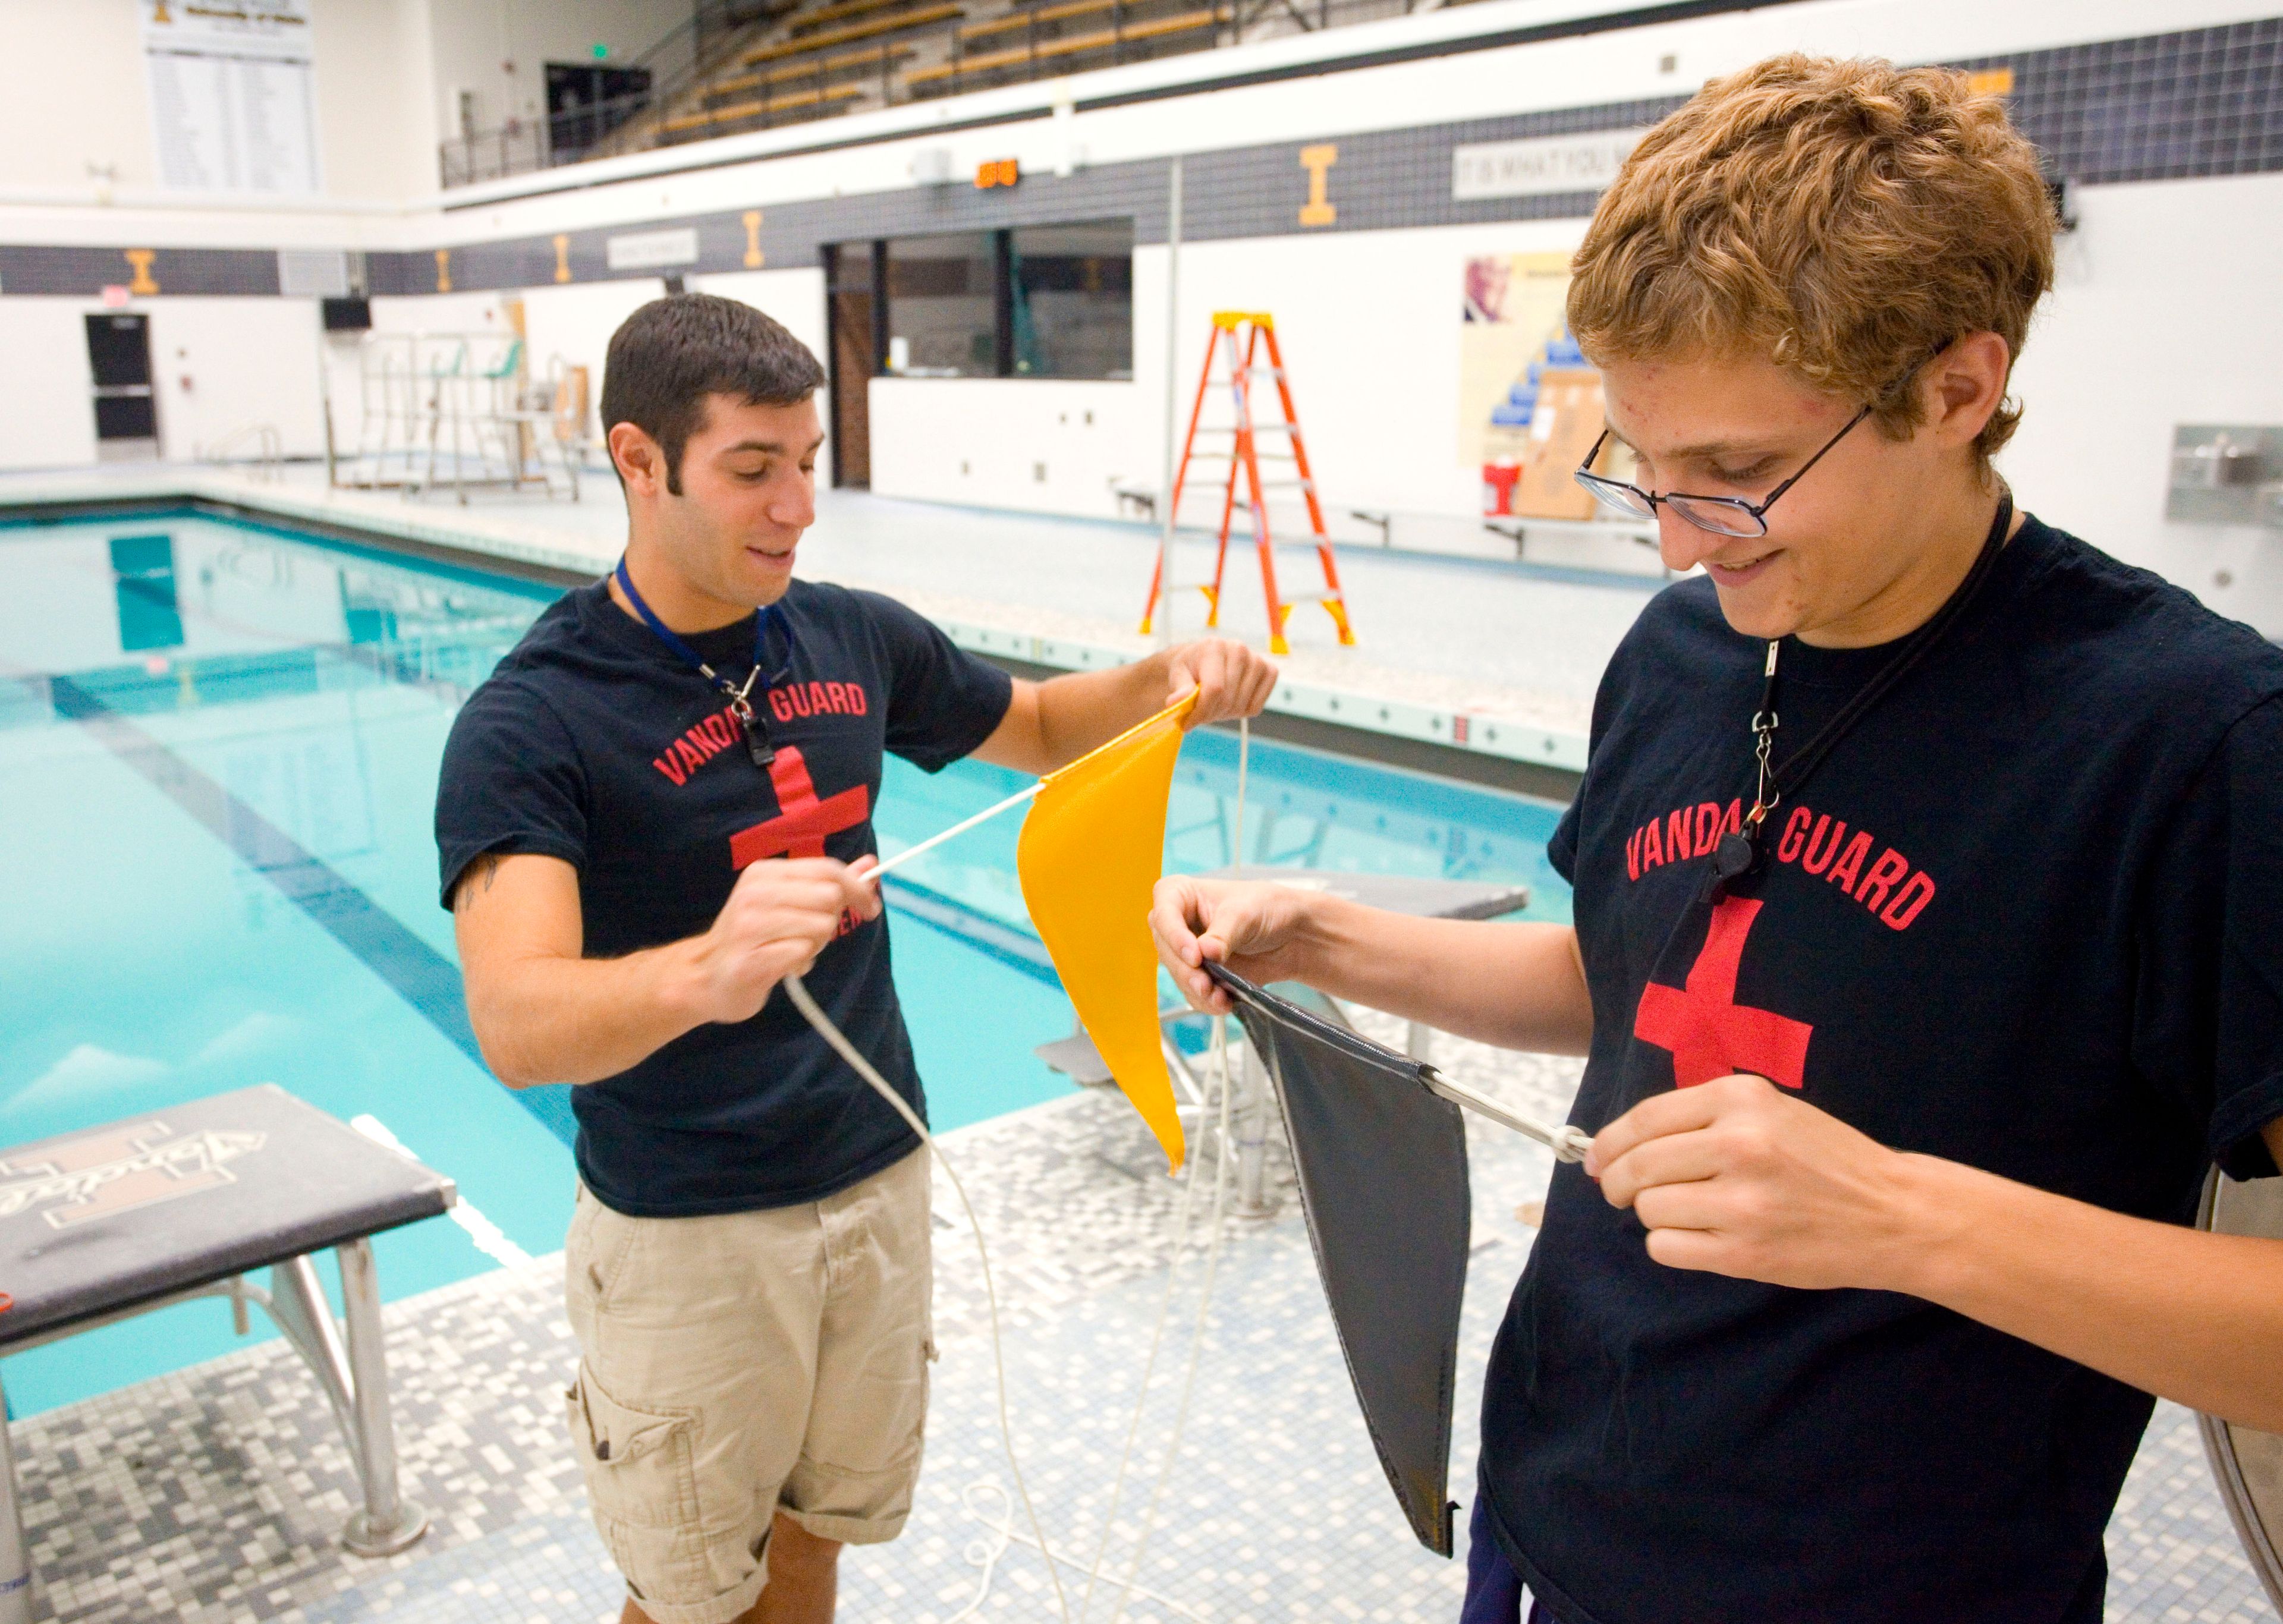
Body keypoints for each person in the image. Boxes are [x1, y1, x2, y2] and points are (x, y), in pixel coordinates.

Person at [1152, 55, 2283, 1624]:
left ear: (1957, 388)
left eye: (1740, 476)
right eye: (1644, 465)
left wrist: (1903, 1218)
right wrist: (1327, 935)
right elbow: (1627, 969)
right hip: (1558, 1515)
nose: (1677, 538)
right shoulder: (1687, 652)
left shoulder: (2193, 743)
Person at [437, 292, 1276, 1624]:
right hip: (692, 1232)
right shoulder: (534, 718)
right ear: (638, 461)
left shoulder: (849, 634)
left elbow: (1049, 724)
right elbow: (515, 1017)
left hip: (874, 1179)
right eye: (753, 471)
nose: (798, 507)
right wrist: (702, 969)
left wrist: (1169, 675)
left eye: (809, 463)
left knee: (817, 1540)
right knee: (687, 1595)